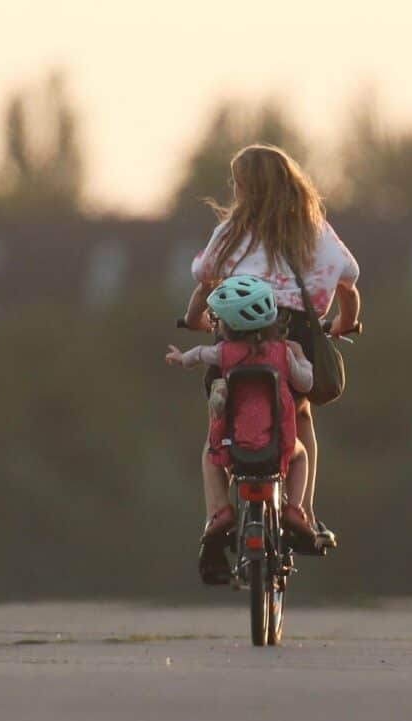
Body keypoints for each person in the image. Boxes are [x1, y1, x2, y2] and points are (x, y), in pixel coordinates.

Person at [181, 143, 362, 550]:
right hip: (294, 337)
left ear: (245, 188)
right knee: (301, 416)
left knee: (219, 428)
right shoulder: (314, 230)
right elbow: (349, 285)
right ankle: (303, 511)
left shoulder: (230, 233)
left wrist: (197, 320)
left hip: (233, 341)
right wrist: (344, 324)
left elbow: (203, 279)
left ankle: (217, 512)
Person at [166, 275, 315, 584]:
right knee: (301, 456)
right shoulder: (284, 354)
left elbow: (197, 355)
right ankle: (295, 508)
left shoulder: (225, 353)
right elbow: (306, 383)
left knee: (209, 456)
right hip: (278, 445)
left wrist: (180, 359)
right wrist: (302, 357)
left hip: (233, 446)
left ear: (227, 326)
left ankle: (220, 511)